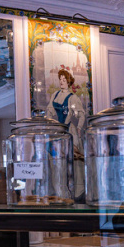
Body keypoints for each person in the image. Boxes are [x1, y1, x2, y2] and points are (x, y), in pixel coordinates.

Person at [45, 68, 87, 198]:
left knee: (74, 163)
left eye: (64, 80)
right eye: (60, 80)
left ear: (69, 82)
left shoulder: (73, 98)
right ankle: (60, 193)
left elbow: (81, 115)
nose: (62, 82)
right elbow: (49, 112)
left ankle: (77, 193)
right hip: (56, 133)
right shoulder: (55, 95)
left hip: (70, 132)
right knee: (56, 162)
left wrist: (79, 128)